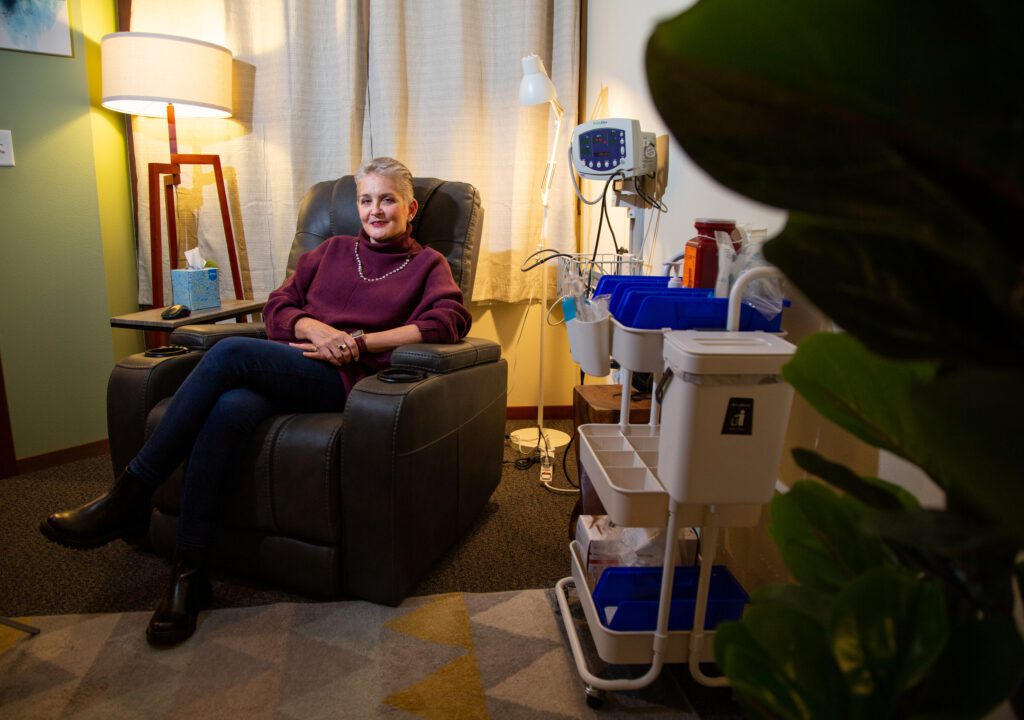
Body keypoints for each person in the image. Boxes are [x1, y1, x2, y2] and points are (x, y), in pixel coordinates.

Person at [40, 157, 472, 646]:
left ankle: (130, 494)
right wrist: (316, 328)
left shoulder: (426, 264)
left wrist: (355, 342)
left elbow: (447, 321)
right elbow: (279, 307)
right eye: (366, 199)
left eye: (388, 199)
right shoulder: (329, 251)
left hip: (348, 380)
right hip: (292, 363)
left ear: (410, 208)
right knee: (229, 409)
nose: (376, 210)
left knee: (229, 352)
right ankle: (190, 573)